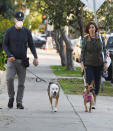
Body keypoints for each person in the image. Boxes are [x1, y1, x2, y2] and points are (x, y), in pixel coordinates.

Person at [2, 11, 39, 109]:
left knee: (21, 83)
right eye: (18, 20)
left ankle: (19, 102)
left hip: (23, 62)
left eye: (21, 20)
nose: (20, 21)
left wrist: (35, 57)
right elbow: (4, 44)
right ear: (14, 20)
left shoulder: (27, 31)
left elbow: (31, 44)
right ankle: (11, 97)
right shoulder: (9, 31)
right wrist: (9, 55)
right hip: (12, 61)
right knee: (9, 79)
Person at [80, 21, 107, 109]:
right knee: (91, 82)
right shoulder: (85, 39)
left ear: (95, 28)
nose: (92, 29)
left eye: (93, 27)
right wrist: (82, 64)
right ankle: (91, 100)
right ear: (88, 29)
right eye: (90, 27)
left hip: (99, 64)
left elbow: (104, 51)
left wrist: (105, 62)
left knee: (98, 83)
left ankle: (94, 99)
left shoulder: (101, 38)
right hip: (89, 64)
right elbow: (82, 52)